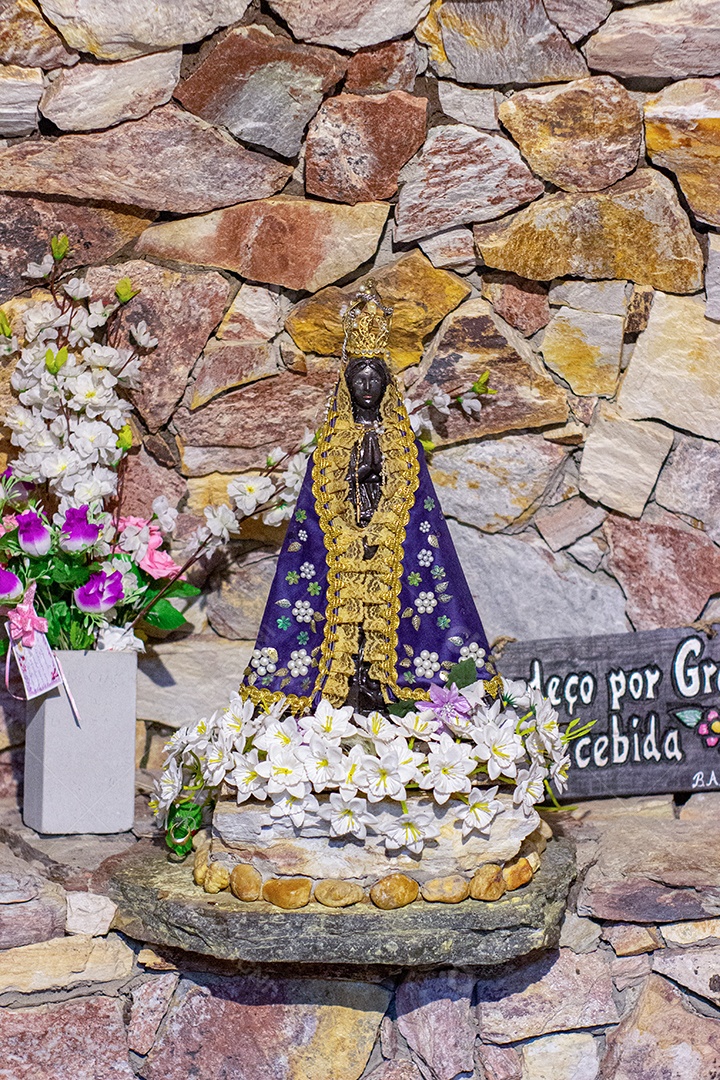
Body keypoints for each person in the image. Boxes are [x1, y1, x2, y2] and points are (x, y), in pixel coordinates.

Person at [240, 283, 497, 715]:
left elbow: (419, 507)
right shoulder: (332, 443)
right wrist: (354, 481)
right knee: (341, 623)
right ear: (346, 382)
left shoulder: (400, 441)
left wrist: (384, 505)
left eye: (374, 375)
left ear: (385, 383)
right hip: (341, 550)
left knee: (391, 615)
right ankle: (340, 695)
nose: (366, 384)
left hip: (388, 549)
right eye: (358, 374)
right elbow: (317, 502)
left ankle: (389, 694)